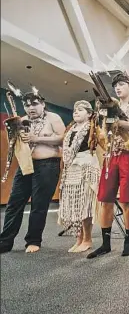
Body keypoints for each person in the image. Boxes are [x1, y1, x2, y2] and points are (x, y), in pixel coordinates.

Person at [87, 72, 129, 259]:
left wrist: (121, 123)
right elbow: (103, 129)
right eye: (116, 86)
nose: (118, 88)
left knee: (126, 200)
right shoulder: (109, 106)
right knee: (105, 199)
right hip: (111, 154)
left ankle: (128, 240)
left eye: (122, 84)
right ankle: (105, 244)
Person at [0, 90, 65, 254]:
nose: (31, 108)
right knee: (14, 204)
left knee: (39, 204)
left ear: (43, 104)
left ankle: (33, 240)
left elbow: (63, 138)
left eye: (34, 104)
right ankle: (5, 242)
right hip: (26, 165)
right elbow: (15, 144)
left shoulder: (53, 118)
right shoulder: (22, 121)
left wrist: (37, 139)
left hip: (48, 165)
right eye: (27, 105)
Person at [58, 100, 100, 253]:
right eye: (74, 110)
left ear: (89, 114)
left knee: (85, 205)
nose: (75, 112)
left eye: (80, 109)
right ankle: (79, 238)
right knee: (73, 205)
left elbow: (105, 144)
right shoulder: (69, 130)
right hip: (71, 168)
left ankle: (87, 239)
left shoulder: (93, 129)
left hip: (86, 167)